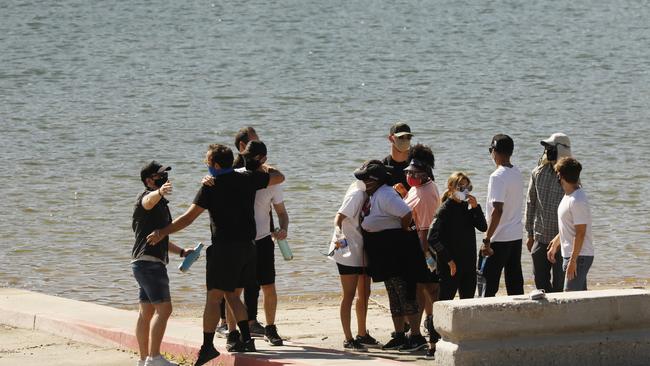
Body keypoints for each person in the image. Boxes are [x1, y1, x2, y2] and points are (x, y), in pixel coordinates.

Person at [146, 144, 284, 365]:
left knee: (213, 298)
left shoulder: (211, 186)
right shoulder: (248, 178)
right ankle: (247, 340)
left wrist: (163, 232)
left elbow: (188, 218)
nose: (206, 166)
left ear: (216, 165)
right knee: (232, 295)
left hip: (225, 249)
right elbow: (278, 176)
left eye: (207, 162)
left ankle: (208, 347)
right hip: (249, 249)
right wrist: (260, 166)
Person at [356, 160, 430, 352]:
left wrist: (403, 230)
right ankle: (399, 336)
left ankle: (415, 336)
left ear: (375, 180)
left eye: (365, 179)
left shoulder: (386, 194)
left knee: (406, 294)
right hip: (385, 253)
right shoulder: (375, 194)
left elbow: (406, 214)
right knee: (394, 296)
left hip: (398, 253)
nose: (363, 183)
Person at [132, 161, 194, 366]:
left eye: (164, 175)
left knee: (147, 312)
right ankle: (154, 358)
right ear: (149, 180)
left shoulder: (160, 204)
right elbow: (147, 201)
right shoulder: (147, 198)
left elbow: (159, 238)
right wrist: (158, 192)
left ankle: (143, 360)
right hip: (149, 264)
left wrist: (182, 252)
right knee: (165, 310)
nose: (164, 178)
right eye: (159, 176)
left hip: (143, 263)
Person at [235, 140, 289, 346]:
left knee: (269, 286)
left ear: (263, 159)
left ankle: (270, 328)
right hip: (241, 242)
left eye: (253, 156)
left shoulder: (272, 182)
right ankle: (238, 330)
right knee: (237, 289)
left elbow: (282, 213)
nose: (248, 160)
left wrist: (284, 229)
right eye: (246, 155)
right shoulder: (237, 175)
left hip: (264, 240)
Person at [328, 179, 379, 352]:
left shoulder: (370, 192)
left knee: (365, 292)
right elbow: (339, 217)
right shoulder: (357, 193)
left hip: (362, 250)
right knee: (348, 295)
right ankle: (348, 338)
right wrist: (339, 234)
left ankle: (362, 334)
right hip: (346, 251)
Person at [402, 145, 441, 358]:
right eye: (409, 172)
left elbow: (425, 229)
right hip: (417, 248)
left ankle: (429, 336)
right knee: (423, 290)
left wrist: (426, 257)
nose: (410, 175)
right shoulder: (419, 188)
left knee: (428, 291)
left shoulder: (426, 193)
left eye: (414, 173)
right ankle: (423, 332)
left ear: (425, 172)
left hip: (423, 250)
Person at [428, 172, 487, 300]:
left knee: (467, 304)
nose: (464, 191)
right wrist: (449, 261)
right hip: (450, 268)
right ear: (451, 187)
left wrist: (476, 208)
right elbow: (432, 237)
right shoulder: (444, 210)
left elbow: (483, 227)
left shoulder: (467, 208)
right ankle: (432, 320)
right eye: (461, 187)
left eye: (467, 188)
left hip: (469, 265)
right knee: (445, 303)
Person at [525, 133, 573, 293]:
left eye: (551, 148)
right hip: (540, 237)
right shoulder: (537, 172)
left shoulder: (570, 177)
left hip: (562, 239)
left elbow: (574, 209)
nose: (547, 151)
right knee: (540, 283)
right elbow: (531, 204)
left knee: (561, 285)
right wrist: (530, 234)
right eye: (547, 148)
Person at [480, 134, 525, 297]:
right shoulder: (517, 172)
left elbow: (497, 210)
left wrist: (487, 239)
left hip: (499, 238)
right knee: (514, 282)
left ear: (495, 152)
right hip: (515, 235)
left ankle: (484, 319)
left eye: (491, 150)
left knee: (487, 285)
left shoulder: (497, 176)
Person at [547, 157, 594, 291]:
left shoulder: (577, 200)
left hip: (579, 256)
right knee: (579, 299)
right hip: (574, 255)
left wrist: (573, 261)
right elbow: (569, 225)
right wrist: (556, 242)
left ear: (560, 175)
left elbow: (580, 233)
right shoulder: (569, 195)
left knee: (570, 297)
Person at [383, 122, 413, 197]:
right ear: (391, 138)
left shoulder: (418, 165)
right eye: (401, 137)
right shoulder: (383, 166)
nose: (405, 140)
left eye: (408, 137)